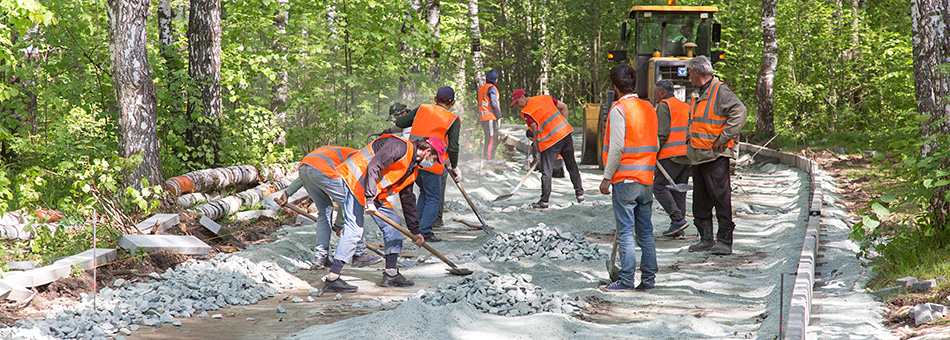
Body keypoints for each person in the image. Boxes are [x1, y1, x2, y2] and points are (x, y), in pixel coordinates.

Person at [323, 134, 443, 292]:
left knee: (393, 224)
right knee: (354, 230)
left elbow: (407, 198)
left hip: (371, 191)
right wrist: (369, 200)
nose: (432, 162)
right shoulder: (399, 146)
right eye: (433, 158)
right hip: (355, 181)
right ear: (427, 151)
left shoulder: (411, 167)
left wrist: (415, 231)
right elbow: (373, 166)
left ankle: (391, 274)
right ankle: (333, 278)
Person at [599, 64, 658, 292]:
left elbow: (616, 147)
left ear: (614, 87)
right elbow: (656, 143)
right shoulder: (648, 107)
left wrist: (606, 178)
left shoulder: (618, 109)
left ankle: (625, 280)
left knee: (625, 231)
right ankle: (649, 280)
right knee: (645, 231)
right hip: (646, 180)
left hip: (625, 181)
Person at [276, 146, 381, 269]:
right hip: (321, 170)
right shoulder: (361, 160)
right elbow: (348, 200)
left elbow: (311, 169)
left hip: (305, 169)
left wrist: (288, 192)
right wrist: (339, 225)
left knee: (324, 211)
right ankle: (359, 254)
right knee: (353, 207)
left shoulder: (342, 152)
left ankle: (321, 257)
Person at [685, 56, 747, 255]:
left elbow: (739, 112)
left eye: (689, 72)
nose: (688, 77)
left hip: (715, 155)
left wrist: (724, 137)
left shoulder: (719, 90)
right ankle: (705, 238)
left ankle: (724, 240)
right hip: (698, 154)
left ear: (697, 72)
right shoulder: (699, 93)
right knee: (700, 200)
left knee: (720, 198)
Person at [386, 86, 461, 242]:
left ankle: (417, 229)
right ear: (453, 102)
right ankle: (425, 231)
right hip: (431, 161)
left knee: (424, 193)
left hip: (413, 158)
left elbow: (400, 121)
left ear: (435, 99)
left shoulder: (422, 109)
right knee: (433, 197)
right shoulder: (453, 119)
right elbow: (453, 147)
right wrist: (454, 167)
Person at [510, 89, 585, 208]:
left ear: (523, 97)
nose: (517, 106)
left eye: (517, 102)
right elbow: (564, 107)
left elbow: (534, 129)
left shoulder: (526, 111)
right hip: (565, 135)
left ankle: (544, 201)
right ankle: (580, 195)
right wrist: (563, 125)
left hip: (550, 142)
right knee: (572, 165)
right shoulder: (545, 98)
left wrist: (538, 145)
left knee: (546, 171)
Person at [653, 80, 692, 238]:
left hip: (671, 155)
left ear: (661, 91)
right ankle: (678, 228)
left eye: (656, 92)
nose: (655, 96)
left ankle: (677, 219)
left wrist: (654, 151)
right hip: (687, 154)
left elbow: (662, 132)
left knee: (659, 187)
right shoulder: (685, 106)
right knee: (678, 190)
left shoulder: (664, 105)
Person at [478, 70, 502, 160]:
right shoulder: (491, 88)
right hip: (490, 117)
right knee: (492, 137)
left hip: (483, 117)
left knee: (488, 137)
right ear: (495, 79)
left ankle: (487, 156)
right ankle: (489, 158)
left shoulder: (483, 88)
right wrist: (498, 115)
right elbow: (494, 103)